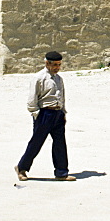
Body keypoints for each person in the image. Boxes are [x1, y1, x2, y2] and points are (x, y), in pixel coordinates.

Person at [15, 51, 76, 181]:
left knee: (60, 144)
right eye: (54, 65)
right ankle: (21, 168)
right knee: (36, 143)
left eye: (59, 65)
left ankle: (61, 172)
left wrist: (63, 113)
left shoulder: (59, 79)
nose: (57, 68)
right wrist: (36, 114)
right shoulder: (39, 78)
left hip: (57, 114)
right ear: (47, 63)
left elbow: (61, 96)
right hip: (44, 114)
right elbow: (32, 99)